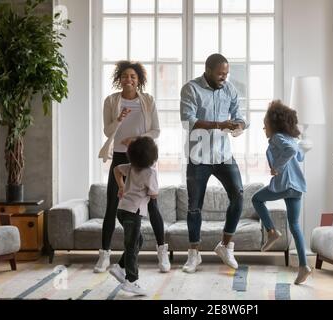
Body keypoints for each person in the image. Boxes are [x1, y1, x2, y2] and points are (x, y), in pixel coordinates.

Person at [95, 60, 170, 273]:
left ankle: (162, 253)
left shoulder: (147, 100)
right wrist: (118, 120)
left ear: (139, 81)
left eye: (133, 76)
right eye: (125, 76)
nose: (129, 79)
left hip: (144, 157)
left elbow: (155, 131)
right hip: (119, 156)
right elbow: (108, 132)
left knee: (153, 205)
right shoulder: (111, 101)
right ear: (119, 78)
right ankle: (104, 256)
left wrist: (136, 139)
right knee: (111, 204)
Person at [180, 53, 249, 273]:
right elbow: (188, 121)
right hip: (198, 156)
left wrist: (240, 124)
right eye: (220, 73)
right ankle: (194, 254)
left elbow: (239, 114)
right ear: (208, 70)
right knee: (194, 207)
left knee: (238, 195)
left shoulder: (229, 89)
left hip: (223, 155)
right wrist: (220, 124)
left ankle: (225, 245)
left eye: (226, 73)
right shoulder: (191, 89)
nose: (224, 77)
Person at [251, 100, 312, 285]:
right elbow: (298, 154)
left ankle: (271, 232)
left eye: (265, 124)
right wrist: (304, 144)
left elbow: (292, 151)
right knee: (294, 225)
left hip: (286, 185)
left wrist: (277, 166)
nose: (263, 128)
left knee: (256, 199)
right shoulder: (288, 138)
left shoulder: (278, 137)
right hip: (296, 187)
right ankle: (304, 266)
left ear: (274, 125)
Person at [108, 136, 159, 295]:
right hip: (133, 213)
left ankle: (119, 267)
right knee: (131, 246)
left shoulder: (130, 167)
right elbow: (154, 194)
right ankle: (131, 280)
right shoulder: (150, 173)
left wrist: (122, 185)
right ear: (152, 157)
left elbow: (116, 169)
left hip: (122, 210)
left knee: (138, 240)